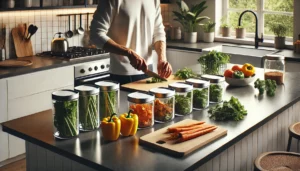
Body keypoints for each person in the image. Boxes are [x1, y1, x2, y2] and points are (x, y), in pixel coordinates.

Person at [90, 0, 172, 85]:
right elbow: (95, 34)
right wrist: (128, 52)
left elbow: (158, 32)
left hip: (149, 71)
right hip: (122, 74)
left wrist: (162, 58)